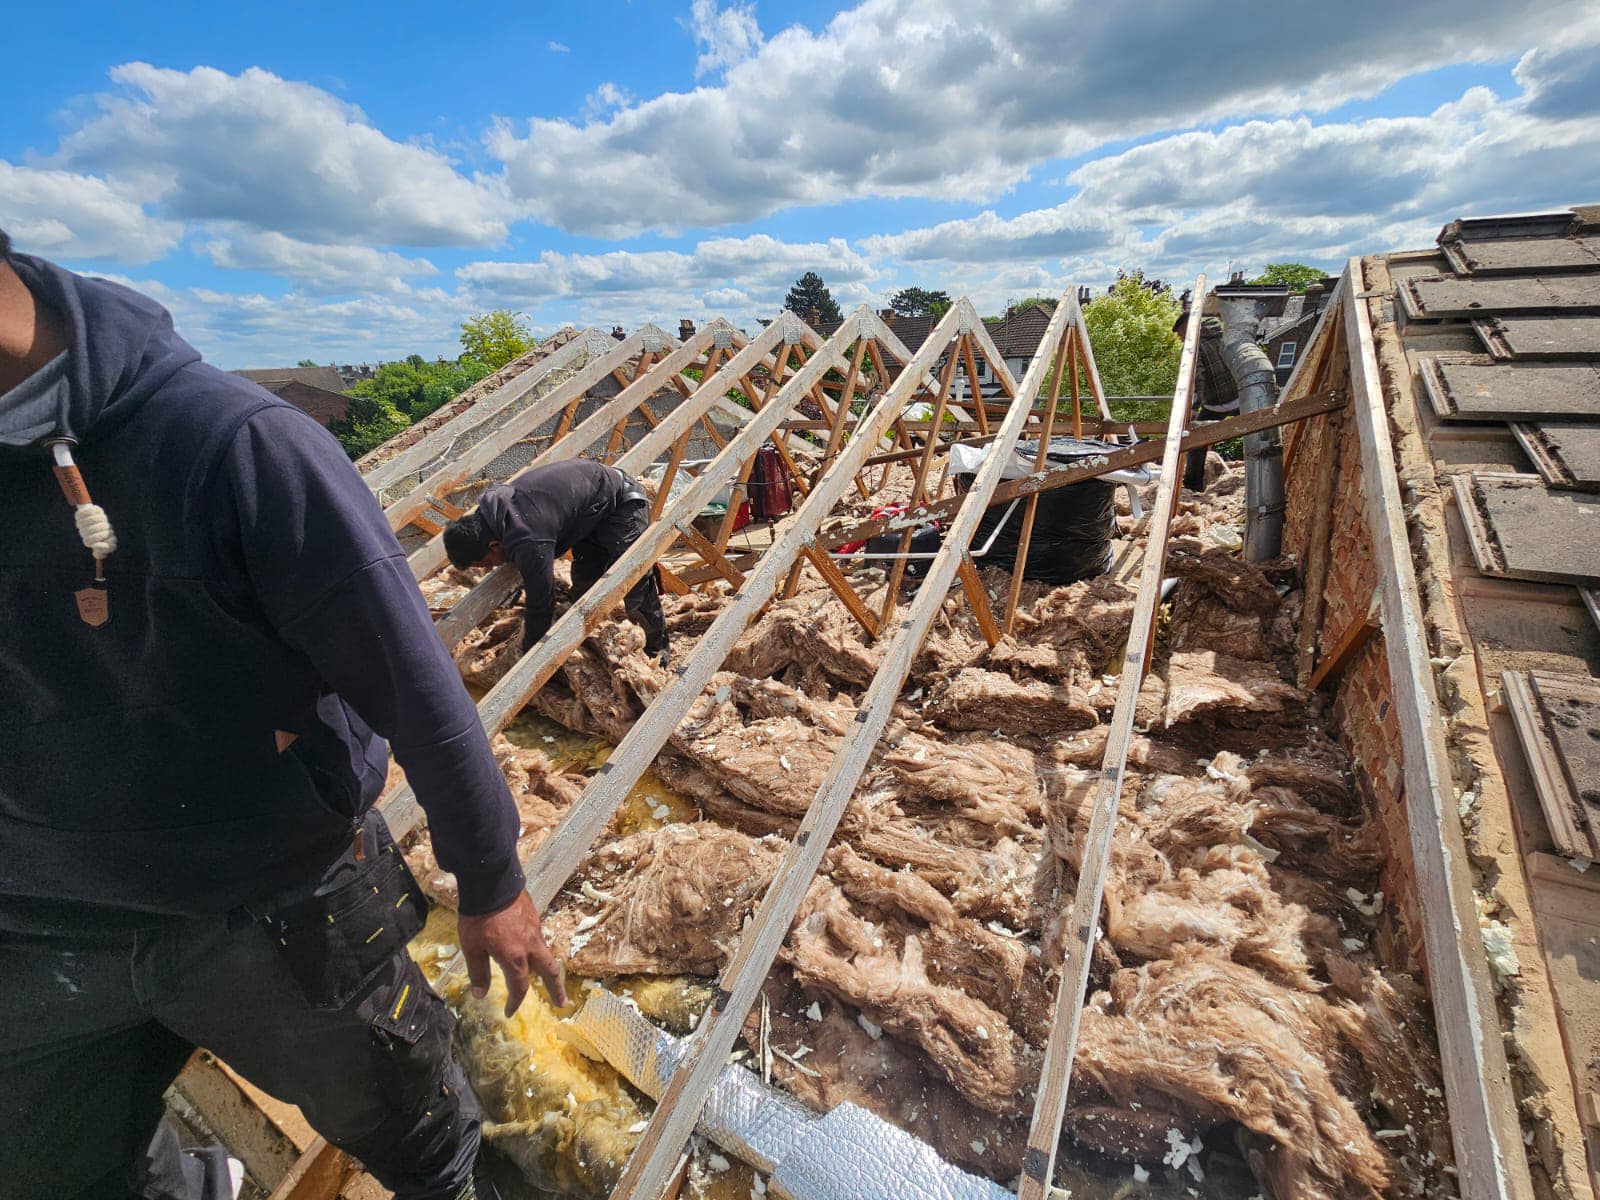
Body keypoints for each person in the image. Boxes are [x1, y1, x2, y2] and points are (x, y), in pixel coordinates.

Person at [0, 231, 567, 1200]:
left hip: (271, 906)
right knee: (57, 1174)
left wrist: (491, 876)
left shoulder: (236, 446)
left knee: (422, 1141)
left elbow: (414, 681)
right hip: (39, 920)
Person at [443, 459, 670, 664]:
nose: (494, 566)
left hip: (620, 502)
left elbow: (541, 604)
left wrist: (528, 657)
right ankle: (592, 644)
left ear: (493, 545)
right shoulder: (491, 512)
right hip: (588, 512)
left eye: (488, 563)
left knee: (632, 582)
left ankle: (657, 652)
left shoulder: (527, 536)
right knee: (584, 583)